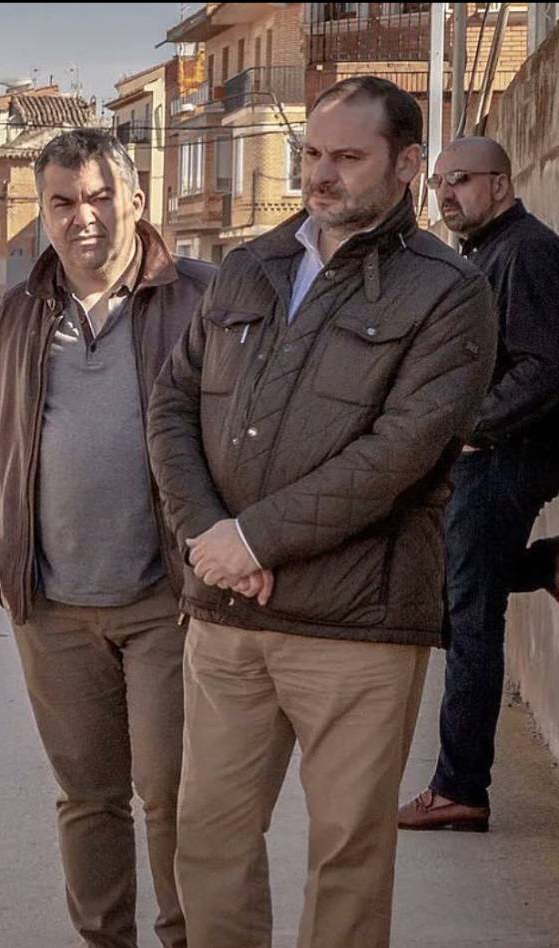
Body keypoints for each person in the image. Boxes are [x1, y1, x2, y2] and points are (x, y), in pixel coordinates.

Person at [148, 76, 497, 948]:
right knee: (209, 844)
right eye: (311, 154)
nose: (321, 175)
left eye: (347, 157)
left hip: (356, 628)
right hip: (226, 617)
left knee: (345, 856)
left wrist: (253, 536)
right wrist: (207, 537)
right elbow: (170, 406)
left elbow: (397, 456)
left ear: (409, 164)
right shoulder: (249, 265)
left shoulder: (449, 293)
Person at [0, 127, 213, 948]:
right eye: (63, 201)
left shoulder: (199, 300)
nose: (84, 217)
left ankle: (186, 937)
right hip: (54, 608)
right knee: (87, 796)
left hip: (166, 603)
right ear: (44, 212)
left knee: (175, 796)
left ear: (137, 200)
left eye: (101, 197)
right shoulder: (13, 317)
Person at [399, 137, 559, 832]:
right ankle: (549, 563)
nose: (446, 195)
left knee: (470, 622)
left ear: (501, 182)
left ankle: (460, 787)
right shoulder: (485, 253)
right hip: (491, 458)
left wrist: (475, 429)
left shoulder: (525, 251)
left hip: (505, 458)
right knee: (456, 596)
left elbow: (546, 365)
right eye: (439, 184)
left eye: (460, 180)